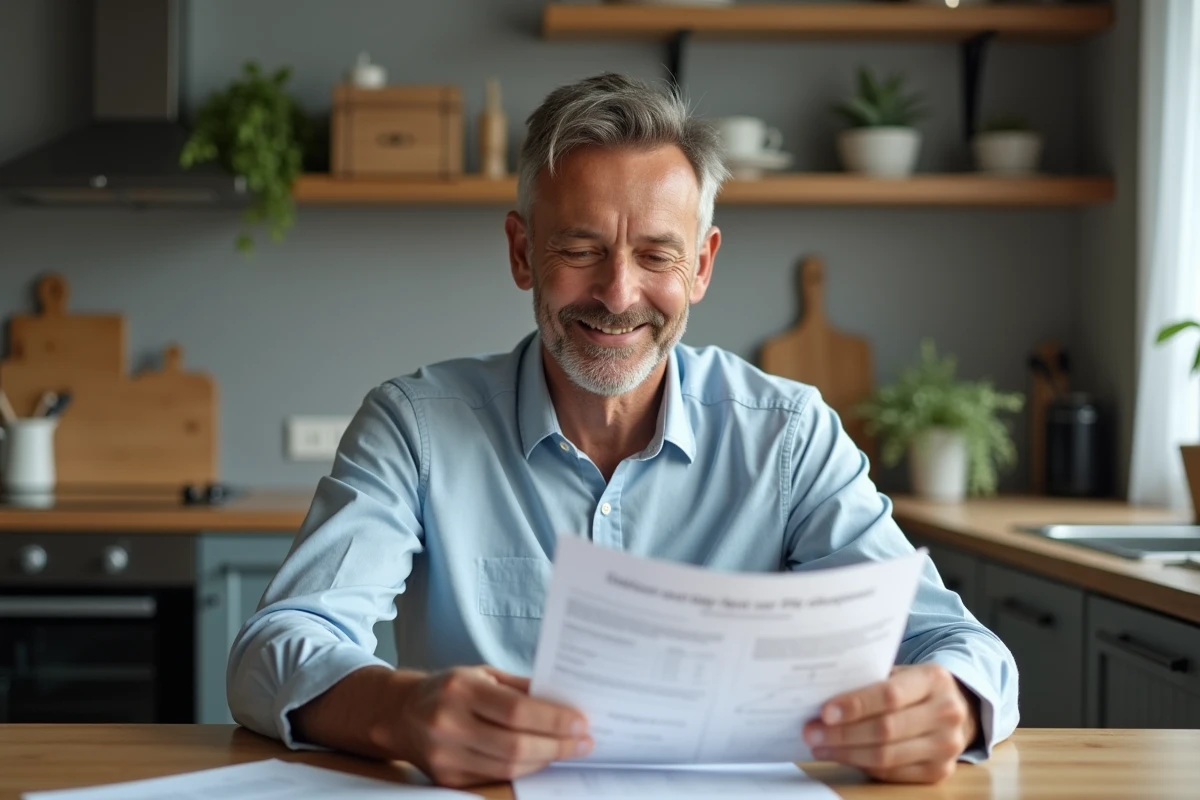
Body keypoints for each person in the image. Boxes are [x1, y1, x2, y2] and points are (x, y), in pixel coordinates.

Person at [227, 73, 1018, 789]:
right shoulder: (416, 426)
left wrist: (950, 702)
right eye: (581, 249)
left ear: (701, 266)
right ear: (522, 252)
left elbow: (960, 645)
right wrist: (398, 713)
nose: (617, 293)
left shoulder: (790, 437)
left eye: (656, 255)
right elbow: (274, 645)